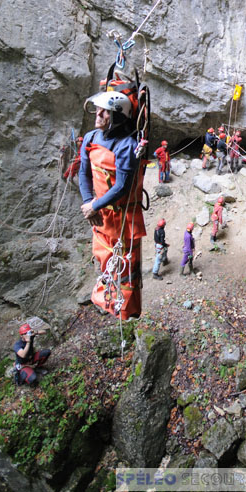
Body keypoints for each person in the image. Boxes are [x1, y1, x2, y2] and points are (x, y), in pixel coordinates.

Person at [79, 89, 146, 320]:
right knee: (103, 255)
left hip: (121, 216)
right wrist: (89, 204)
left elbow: (122, 187)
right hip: (99, 214)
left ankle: (127, 307)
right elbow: (83, 173)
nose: (97, 115)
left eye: (104, 112)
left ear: (117, 117)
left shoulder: (126, 145)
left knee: (126, 261)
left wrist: (95, 206)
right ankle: (106, 296)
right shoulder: (90, 138)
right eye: (97, 110)